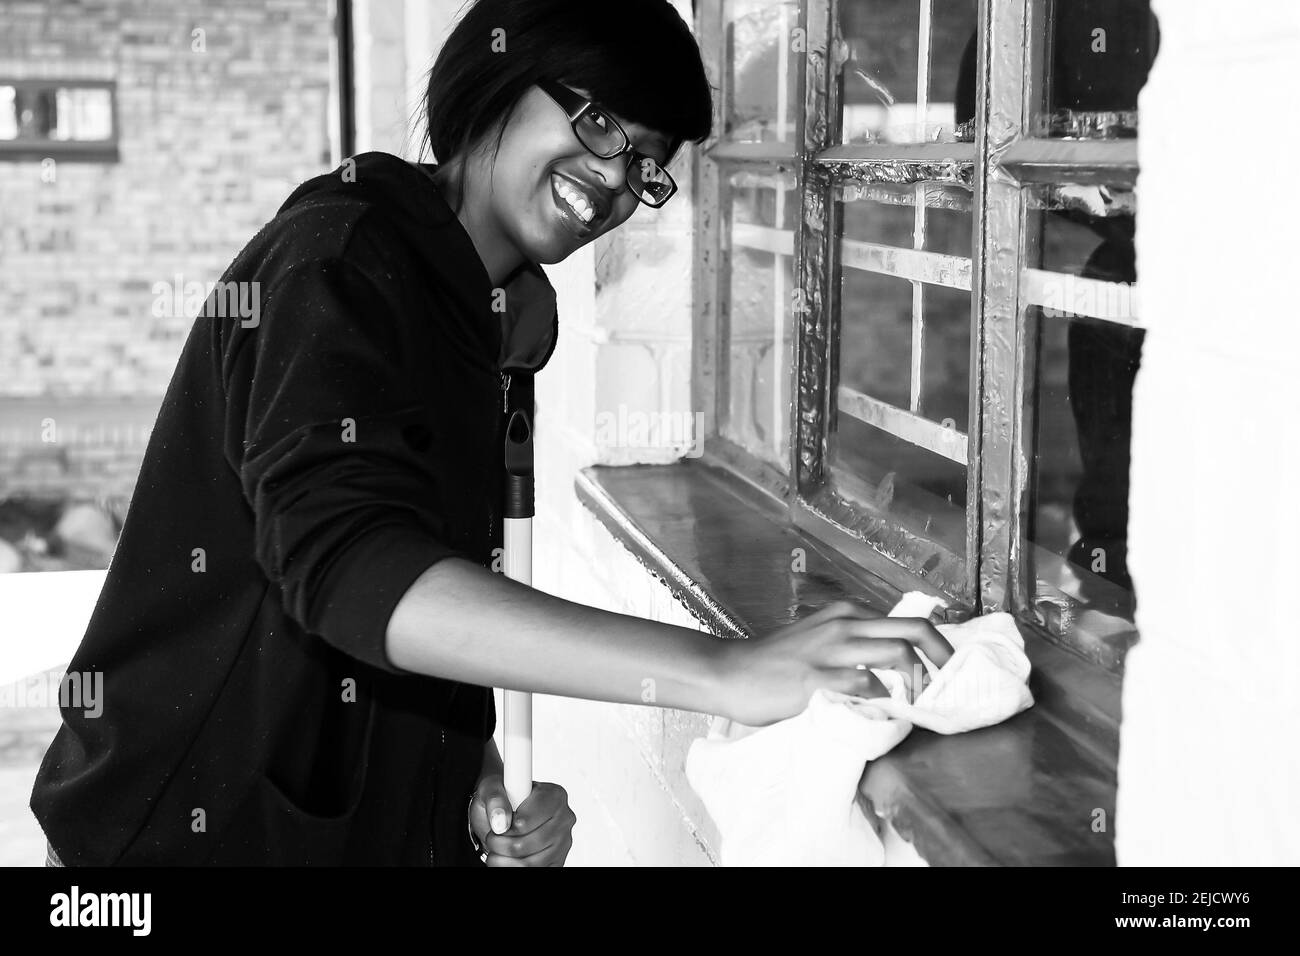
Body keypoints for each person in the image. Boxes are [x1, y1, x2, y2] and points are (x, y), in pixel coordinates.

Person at [31, 0, 947, 868]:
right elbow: (350, 568)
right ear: (496, 78)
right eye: (597, 123)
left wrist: (465, 771)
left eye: (645, 162)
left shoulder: (496, 319)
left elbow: (432, 583)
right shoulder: (339, 265)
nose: (617, 177)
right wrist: (726, 672)